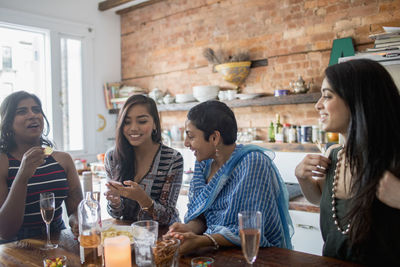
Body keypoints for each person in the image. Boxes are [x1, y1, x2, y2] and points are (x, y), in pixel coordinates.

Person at [295, 59, 400, 265]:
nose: (318, 105)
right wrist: (303, 179)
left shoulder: (395, 158)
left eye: (327, 96)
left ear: (359, 100)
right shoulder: (334, 154)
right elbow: (323, 201)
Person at [168, 100, 293, 254]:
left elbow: (253, 230)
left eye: (191, 137)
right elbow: (202, 217)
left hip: (253, 255)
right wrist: (187, 230)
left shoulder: (252, 163)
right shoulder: (203, 164)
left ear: (214, 138)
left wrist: (201, 240)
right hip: (214, 252)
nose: (186, 143)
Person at [0, 91, 82, 242]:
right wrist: (22, 175)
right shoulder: (3, 162)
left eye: (36, 110)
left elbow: (76, 210)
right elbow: (5, 231)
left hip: (58, 239)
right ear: (8, 122)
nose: (32, 115)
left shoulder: (63, 160)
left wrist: (76, 221)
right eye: (22, 111)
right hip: (16, 245)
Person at [104, 94, 183, 226]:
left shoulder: (172, 159)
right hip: (127, 235)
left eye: (142, 121)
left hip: (163, 236)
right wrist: (115, 203)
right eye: (127, 122)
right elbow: (115, 214)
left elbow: (168, 216)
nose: (133, 128)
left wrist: (143, 199)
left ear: (154, 124)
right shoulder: (112, 157)